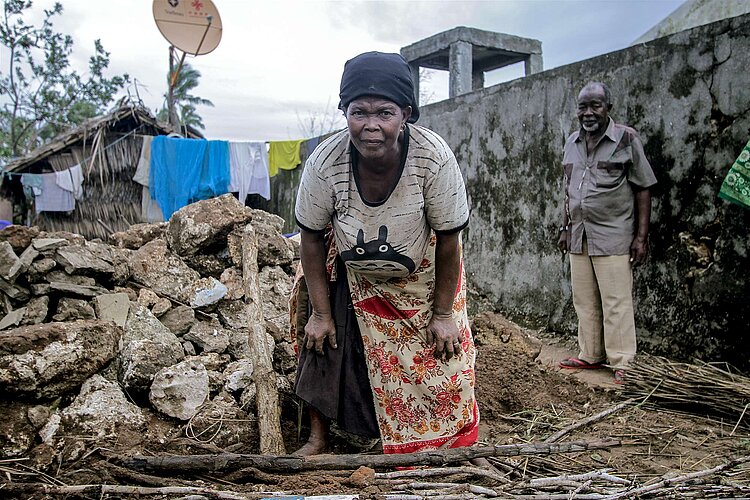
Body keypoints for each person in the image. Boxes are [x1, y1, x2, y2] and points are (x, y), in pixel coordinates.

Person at [290, 51, 479, 456]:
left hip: (423, 271)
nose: (371, 125)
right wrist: (321, 314)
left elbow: (449, 239)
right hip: (351, 267)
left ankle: (434, 442)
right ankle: (318, 438)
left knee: (442, 356)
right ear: (344, 112)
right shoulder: (325, 162)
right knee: (323, 340)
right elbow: (309, 236)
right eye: (359, 112)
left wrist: (443, 314)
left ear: (406, 113)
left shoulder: (433, 158)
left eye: (385, 113)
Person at [557, 82, 657, 384]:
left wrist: (641, 237)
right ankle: (591, 354)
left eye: (595, 106)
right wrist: (564, 227)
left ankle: (623, 361)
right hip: (579, 235)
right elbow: (568, 189)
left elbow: (643, 188)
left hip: (614, 234)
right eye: (583, 106)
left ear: (607, 108)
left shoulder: (626, 138)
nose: (588, 113)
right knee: (584, 300)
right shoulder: (572, 141)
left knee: (616, 300)